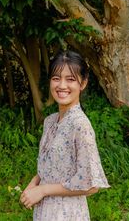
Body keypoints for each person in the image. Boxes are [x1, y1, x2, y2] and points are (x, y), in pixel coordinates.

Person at [20, 50, 110, 220]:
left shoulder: (80, 125)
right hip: (44, 210)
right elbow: (50, 166)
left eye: (70, 79)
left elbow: (91, 186)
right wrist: (34, 183)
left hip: (67, 213)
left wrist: (43, 190)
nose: (62, 85)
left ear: (82, 83)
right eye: (56, 78)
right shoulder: (50, 121)